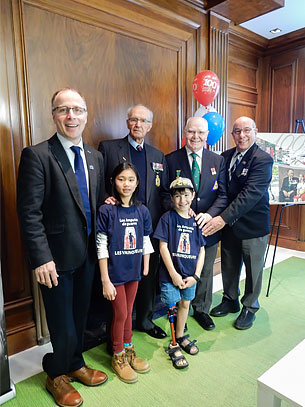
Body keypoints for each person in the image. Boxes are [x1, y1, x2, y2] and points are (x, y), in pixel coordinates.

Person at [17, 88, 107, 407]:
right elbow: (29, 212)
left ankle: (75, 363)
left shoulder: (95, 156)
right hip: (54, 259)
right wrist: (41, 258)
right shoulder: (37, 155)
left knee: (80, 316)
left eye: (77, 110)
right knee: (61, 320)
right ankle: (56, 373)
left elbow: (95, 205)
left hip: (88, 256)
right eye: (63, 109)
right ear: (53, 115)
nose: (71, 116)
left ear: (86, 114)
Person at [98, 104, 168, 339]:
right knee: (117, 284)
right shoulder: (108, 148)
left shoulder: (158, 156)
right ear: (127, 122)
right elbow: (97, 185)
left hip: (148, 229)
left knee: (146, 278)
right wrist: (104, 198)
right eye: (134, 120)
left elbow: (163, 193)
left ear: (150, 125)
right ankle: (115, 335)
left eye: (143, 121)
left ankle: (145, 321)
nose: (138, 125)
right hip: (117, 229)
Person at [202, 116, 273, 330]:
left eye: (246, 130)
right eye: (237, 131)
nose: (242, 135)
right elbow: (220, 191)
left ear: (255, 132)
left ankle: (250, 307)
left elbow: (249, 195)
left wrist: (222, 218)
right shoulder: (225, 157)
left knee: (253, 270)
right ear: (231, 134)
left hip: (252, 227)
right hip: (230, 227)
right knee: (229, 265)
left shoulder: (262, 159)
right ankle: (230, 299)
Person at [165, 116, 227, 331]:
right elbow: (164, 193)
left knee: (205, 269)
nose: (196, 137)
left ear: (207, 135)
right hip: (179, 226)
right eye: (191, 132)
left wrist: (209, 215)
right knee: (179, 265)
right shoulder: (171, 160)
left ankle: (201, 309)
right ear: (185, 132)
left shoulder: (217, 161)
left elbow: (223, 195)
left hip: (207, 226)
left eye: (201, 133)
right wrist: (181, 209)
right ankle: (177, 309)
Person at [96, 162, 153, 383]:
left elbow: (146, 239)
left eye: (130, 179)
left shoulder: (142, 210)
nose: (126, 184)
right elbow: (101, 246)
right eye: (121, 179)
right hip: (114, 273)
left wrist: (145, 265)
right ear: (113, 182)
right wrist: (105, 280)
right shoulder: (107, 210)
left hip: (134, 271)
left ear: (137, 182)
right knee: (120, 313)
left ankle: (128, 349)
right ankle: (118, 354)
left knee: (129, 312)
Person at [153, 177, 205, 369]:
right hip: (170, 275)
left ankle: (181, 335)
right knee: (172, 306)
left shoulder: (196, 220)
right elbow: (163, 247)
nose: (182, 200)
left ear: (192, 196)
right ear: (172, 198)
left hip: (190, 276)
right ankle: (173, 343)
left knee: (185, 304)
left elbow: (202, 250)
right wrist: (174, 274)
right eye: (177, 196)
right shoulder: (167, 218)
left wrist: (196, 276)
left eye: (185, 195)